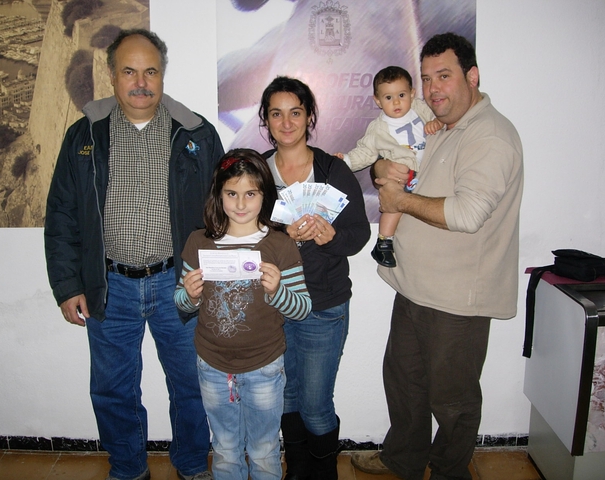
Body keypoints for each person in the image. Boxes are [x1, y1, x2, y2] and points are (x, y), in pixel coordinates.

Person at [44, 29, 224, 480]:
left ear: (162, 75)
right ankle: (127, 468)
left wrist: (214, 274)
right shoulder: (83, 135)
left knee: (191, 385)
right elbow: (62, 214)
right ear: (111, 75)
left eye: (150, 72)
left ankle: (191, 464)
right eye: (129, 71)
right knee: (112, 390)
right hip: (108, 287)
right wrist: (67, 285)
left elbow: (222, 210)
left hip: (179, 284)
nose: (141, 82)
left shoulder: (197, 134)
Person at [351, 33, 524, 480]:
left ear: (472, 75)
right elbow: (399, 169)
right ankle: (403, 459)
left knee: (452, 399)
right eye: (426, 79)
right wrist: (380, 168)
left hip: (459, 300)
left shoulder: (490, 136)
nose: (432, 90)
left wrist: (400, 201)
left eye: (443, 76)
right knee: (404, 382)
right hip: (415, 286)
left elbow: (467, 214)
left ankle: (449, 471)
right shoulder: (439, 126)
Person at [174, 148, 312, 480]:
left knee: (264, 450)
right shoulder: (198, 242)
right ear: (218, 195)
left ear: (264, 195)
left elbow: (302, 309)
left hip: (264, 364)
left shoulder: (280, 244)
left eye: (250, 194)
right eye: (231, 193)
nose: (240, 203)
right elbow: (181, 302)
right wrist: (189, 295)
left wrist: (277, 291)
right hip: (212, 364)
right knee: (224, 448)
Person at [258, 76, 370, 479]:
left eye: (295, 112)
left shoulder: (332, 170)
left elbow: (360, 234)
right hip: (274, 304)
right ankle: (297, 468)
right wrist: (278, 234)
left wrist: (332, 236)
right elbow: (239, 234)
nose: (286, 122)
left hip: (323, 306)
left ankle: (324, 474)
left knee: (316, 404)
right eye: (276, 114)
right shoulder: (256, 172)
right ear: (266, 121)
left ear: (309, 117)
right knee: (286, 396)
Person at [335, 66, 442, 267]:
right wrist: (346, 161)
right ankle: (384, 241)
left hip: (428, 171)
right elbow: (366, 151)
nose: (396, 102)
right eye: (388, 98)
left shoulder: (420, 109)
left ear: (412, 93)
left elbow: (440, 118)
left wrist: (435, 122)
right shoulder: (378, 128)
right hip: (401, 175)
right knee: (392, 202)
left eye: (401, 95)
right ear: (377, 101)